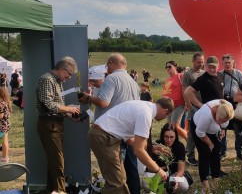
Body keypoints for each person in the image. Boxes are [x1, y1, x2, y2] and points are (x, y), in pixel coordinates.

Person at [79, 53, 141, 194]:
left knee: (114, 176)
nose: (107, 69)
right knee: (129, 170)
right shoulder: (133, 81)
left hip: (111, 133)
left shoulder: (111, 78)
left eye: (108, 66)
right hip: (128, 131)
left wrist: (88, 98)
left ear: (112, 63)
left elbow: (103, 102)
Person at [88, 97, 174, 194]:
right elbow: (138, 151)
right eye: (167, 116)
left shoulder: (143, 107)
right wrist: (158, 170)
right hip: (103, 137)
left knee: (121, 178)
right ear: (165, 111)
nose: (164, 119)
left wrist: (150, 147)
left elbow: (129, 139)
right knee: (116, 183)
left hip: (104, 135)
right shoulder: (146, 114)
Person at [36, 56, 81, 193]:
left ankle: (53, 190)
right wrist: (69, 109)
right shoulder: (47, 79)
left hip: (54, 124)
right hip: (49, 125)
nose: (69, 77)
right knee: (57, 162)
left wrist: (69, 116)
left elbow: (57, 106)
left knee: (54, 160)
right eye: (69, 74)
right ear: (62, 69)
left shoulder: (56, 81)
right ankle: (60, 191)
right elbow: (47, 103)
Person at [190, 99, 234, 193]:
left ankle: (216, 180)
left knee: (216, 153)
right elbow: (200, 132)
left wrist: (222, 129)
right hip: (199, 129)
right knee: (205, 153)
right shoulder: (207, 115)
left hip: (213, 131)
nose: (221, 123)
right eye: (220, 121)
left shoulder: (228, 108)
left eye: (224, 121)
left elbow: (224, 124)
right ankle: (205, 185)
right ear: (216, 113)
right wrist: (210, 144)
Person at [147, 123, 189, 193]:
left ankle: (170, 189)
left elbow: (181, 170)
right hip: (158, 174)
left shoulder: (180, 147)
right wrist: (160, 170)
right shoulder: (157, 146)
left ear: (176, 136)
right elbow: (149, 168)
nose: (169, 140)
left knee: (183, 186)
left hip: (173, 175)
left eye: (172, 137)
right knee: (147, 185)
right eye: (166, 136)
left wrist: (176, 179)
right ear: (162, 136)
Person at [220, 54, 242, 160]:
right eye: (225, 63)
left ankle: (239, 152)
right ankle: (222, 151)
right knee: (222, 129)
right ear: (223, 64)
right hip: (224, 103)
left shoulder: (238, 73)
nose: (227, 65)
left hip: (236, 104)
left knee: (238, 129)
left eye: (229, 63)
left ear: (233, 63)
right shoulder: (220, 74)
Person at [181, 52, 205, 166]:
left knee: (202, 130)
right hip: (194, 107)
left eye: (202, 62)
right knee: (192, 132)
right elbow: (185, 91)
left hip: (204, 106)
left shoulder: (204, 73)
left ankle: (202, 154)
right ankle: (190, 155)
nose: (200, 64)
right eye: (198, 62)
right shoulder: (188, 74)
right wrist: (190, 106)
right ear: (193, 61)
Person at [162, 60, 187, 140]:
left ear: (175, 67)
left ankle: (189, 140)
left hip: (178, 104)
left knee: (174, 126)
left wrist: (186, 101)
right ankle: (173, 143)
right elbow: (165, 91)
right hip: (169, 107)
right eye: (166, 67)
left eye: (170, 66)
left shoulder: (180, 76)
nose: (168, 68)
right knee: (170, 127)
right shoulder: (167, 80)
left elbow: (186, 88)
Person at [0, 79, 11, 164]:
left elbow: (1, 116)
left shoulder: (0, 103)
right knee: (5, 142)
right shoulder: (5, 101)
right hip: (5, 126)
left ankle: (4, 157)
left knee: (3, 142)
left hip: (1, 126)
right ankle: (5, 157)